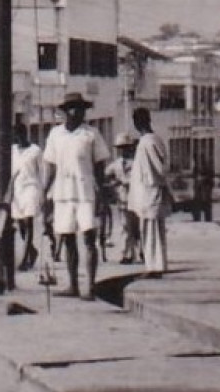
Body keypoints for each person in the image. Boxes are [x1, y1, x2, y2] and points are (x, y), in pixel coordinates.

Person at [43, 91, 110, 300]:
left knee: (89, 238)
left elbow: (100, 167)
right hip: (63, 193)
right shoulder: (55, 135)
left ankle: (89, 286)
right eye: (71, 108)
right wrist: (44, 193)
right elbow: (51, 167)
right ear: (64, 112)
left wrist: (102, 195)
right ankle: (73, 285)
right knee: (67, 238)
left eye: (79, 108)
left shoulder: (91, 134)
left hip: (85, 192)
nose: (75, 112)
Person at [128, 107, 170, 278]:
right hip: (149, 191)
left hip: (150, 191)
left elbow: (159, 169)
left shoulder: (147, 142)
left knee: (150, 230)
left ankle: (154, 267)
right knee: (153, 230)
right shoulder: (155, 140)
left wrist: (156, 183)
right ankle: (155, 265)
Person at [10, 123, 44, 271]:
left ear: (25, 134)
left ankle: (25, 259)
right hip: (17, 190)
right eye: (15, 135)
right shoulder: (13, 151)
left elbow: (42, 172)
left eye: (20, 134)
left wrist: (44, 193)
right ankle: (32, 250)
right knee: (20, 224)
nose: (18, 138)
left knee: (28, 221)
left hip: (32, 188)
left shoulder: (35, 150)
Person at [105, 132, 141, 264]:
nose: (123, 150)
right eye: (121, 148)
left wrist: (121, 181)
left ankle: (141, 251)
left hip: (136, 198)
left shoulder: (137, 163)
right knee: (125, 226)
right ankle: (126, 254)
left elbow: (137, 179)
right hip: (122, 199)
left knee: (137, 227)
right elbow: (106, 174)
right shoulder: (116, 164)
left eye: (126, 147)